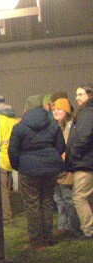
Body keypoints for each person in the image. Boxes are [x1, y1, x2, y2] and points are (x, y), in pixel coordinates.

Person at [8, 104, 66, 248]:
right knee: (47, 201)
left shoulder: (19, 128)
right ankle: (48, 237)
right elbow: (61, 147)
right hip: (50, 169)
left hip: (28, 170)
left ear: (25, 111)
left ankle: (36, 239)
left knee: (32, 204)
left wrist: (20, 166)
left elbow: (13, 152)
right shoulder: (53, 126)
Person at [66, 84, 93, 240]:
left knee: (79, 197)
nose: (77, 98)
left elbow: (83, 137)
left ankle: (88, 230)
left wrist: (74, 154)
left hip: (85, 163)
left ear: (89, 95)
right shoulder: (86, 112)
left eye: (81, 94)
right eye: (76, 95)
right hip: (86, 161)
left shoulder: (87, 113)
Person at [51, 98, 81, 237]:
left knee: (68, 199)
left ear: (66, 111)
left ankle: (73, 227)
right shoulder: (56, 126)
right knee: (59, 199)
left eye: (59, 109)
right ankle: (63, 226)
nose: (55, 112)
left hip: (66, 169)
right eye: (54, 109)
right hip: (56, 169)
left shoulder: (70, 127)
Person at [0, 95, 18, 224]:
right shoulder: (12, 119)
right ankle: (7, 214)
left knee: (0, 191)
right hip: (11, 160)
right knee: (7, 190)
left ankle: (5, 217)